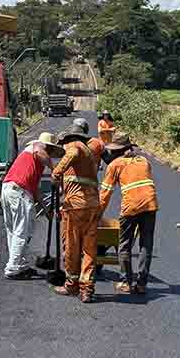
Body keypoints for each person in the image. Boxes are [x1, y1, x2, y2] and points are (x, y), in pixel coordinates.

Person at [99, 132, 157, 295]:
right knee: (146, 245)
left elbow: (105, 194)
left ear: (117, 150)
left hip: (131, 208)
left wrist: (97, 215)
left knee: (124, 243)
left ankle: (126, 282)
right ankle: (141, 284)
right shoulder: (144, 161)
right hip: (150, 206)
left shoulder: (115, 165)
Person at [1, 132, 64, 280]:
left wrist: (46, 210)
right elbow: (39, 150)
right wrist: (55, 170)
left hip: (9, 189)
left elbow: (35, 191)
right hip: (19, 191)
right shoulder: (36, 148)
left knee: (14, 231)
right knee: (22, 231)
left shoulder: (33, 163)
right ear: (48, 148)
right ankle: (13, 268)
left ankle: (20, 265)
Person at [51, 123, 102, 303]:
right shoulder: (88, 153)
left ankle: (72, 284)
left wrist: (56, 173)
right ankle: (87, 289)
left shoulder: (76, 147)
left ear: (70, 138)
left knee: (72, 245)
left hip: (77, 207)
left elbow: (71, 154)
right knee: (89, 249)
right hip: (93, 205)